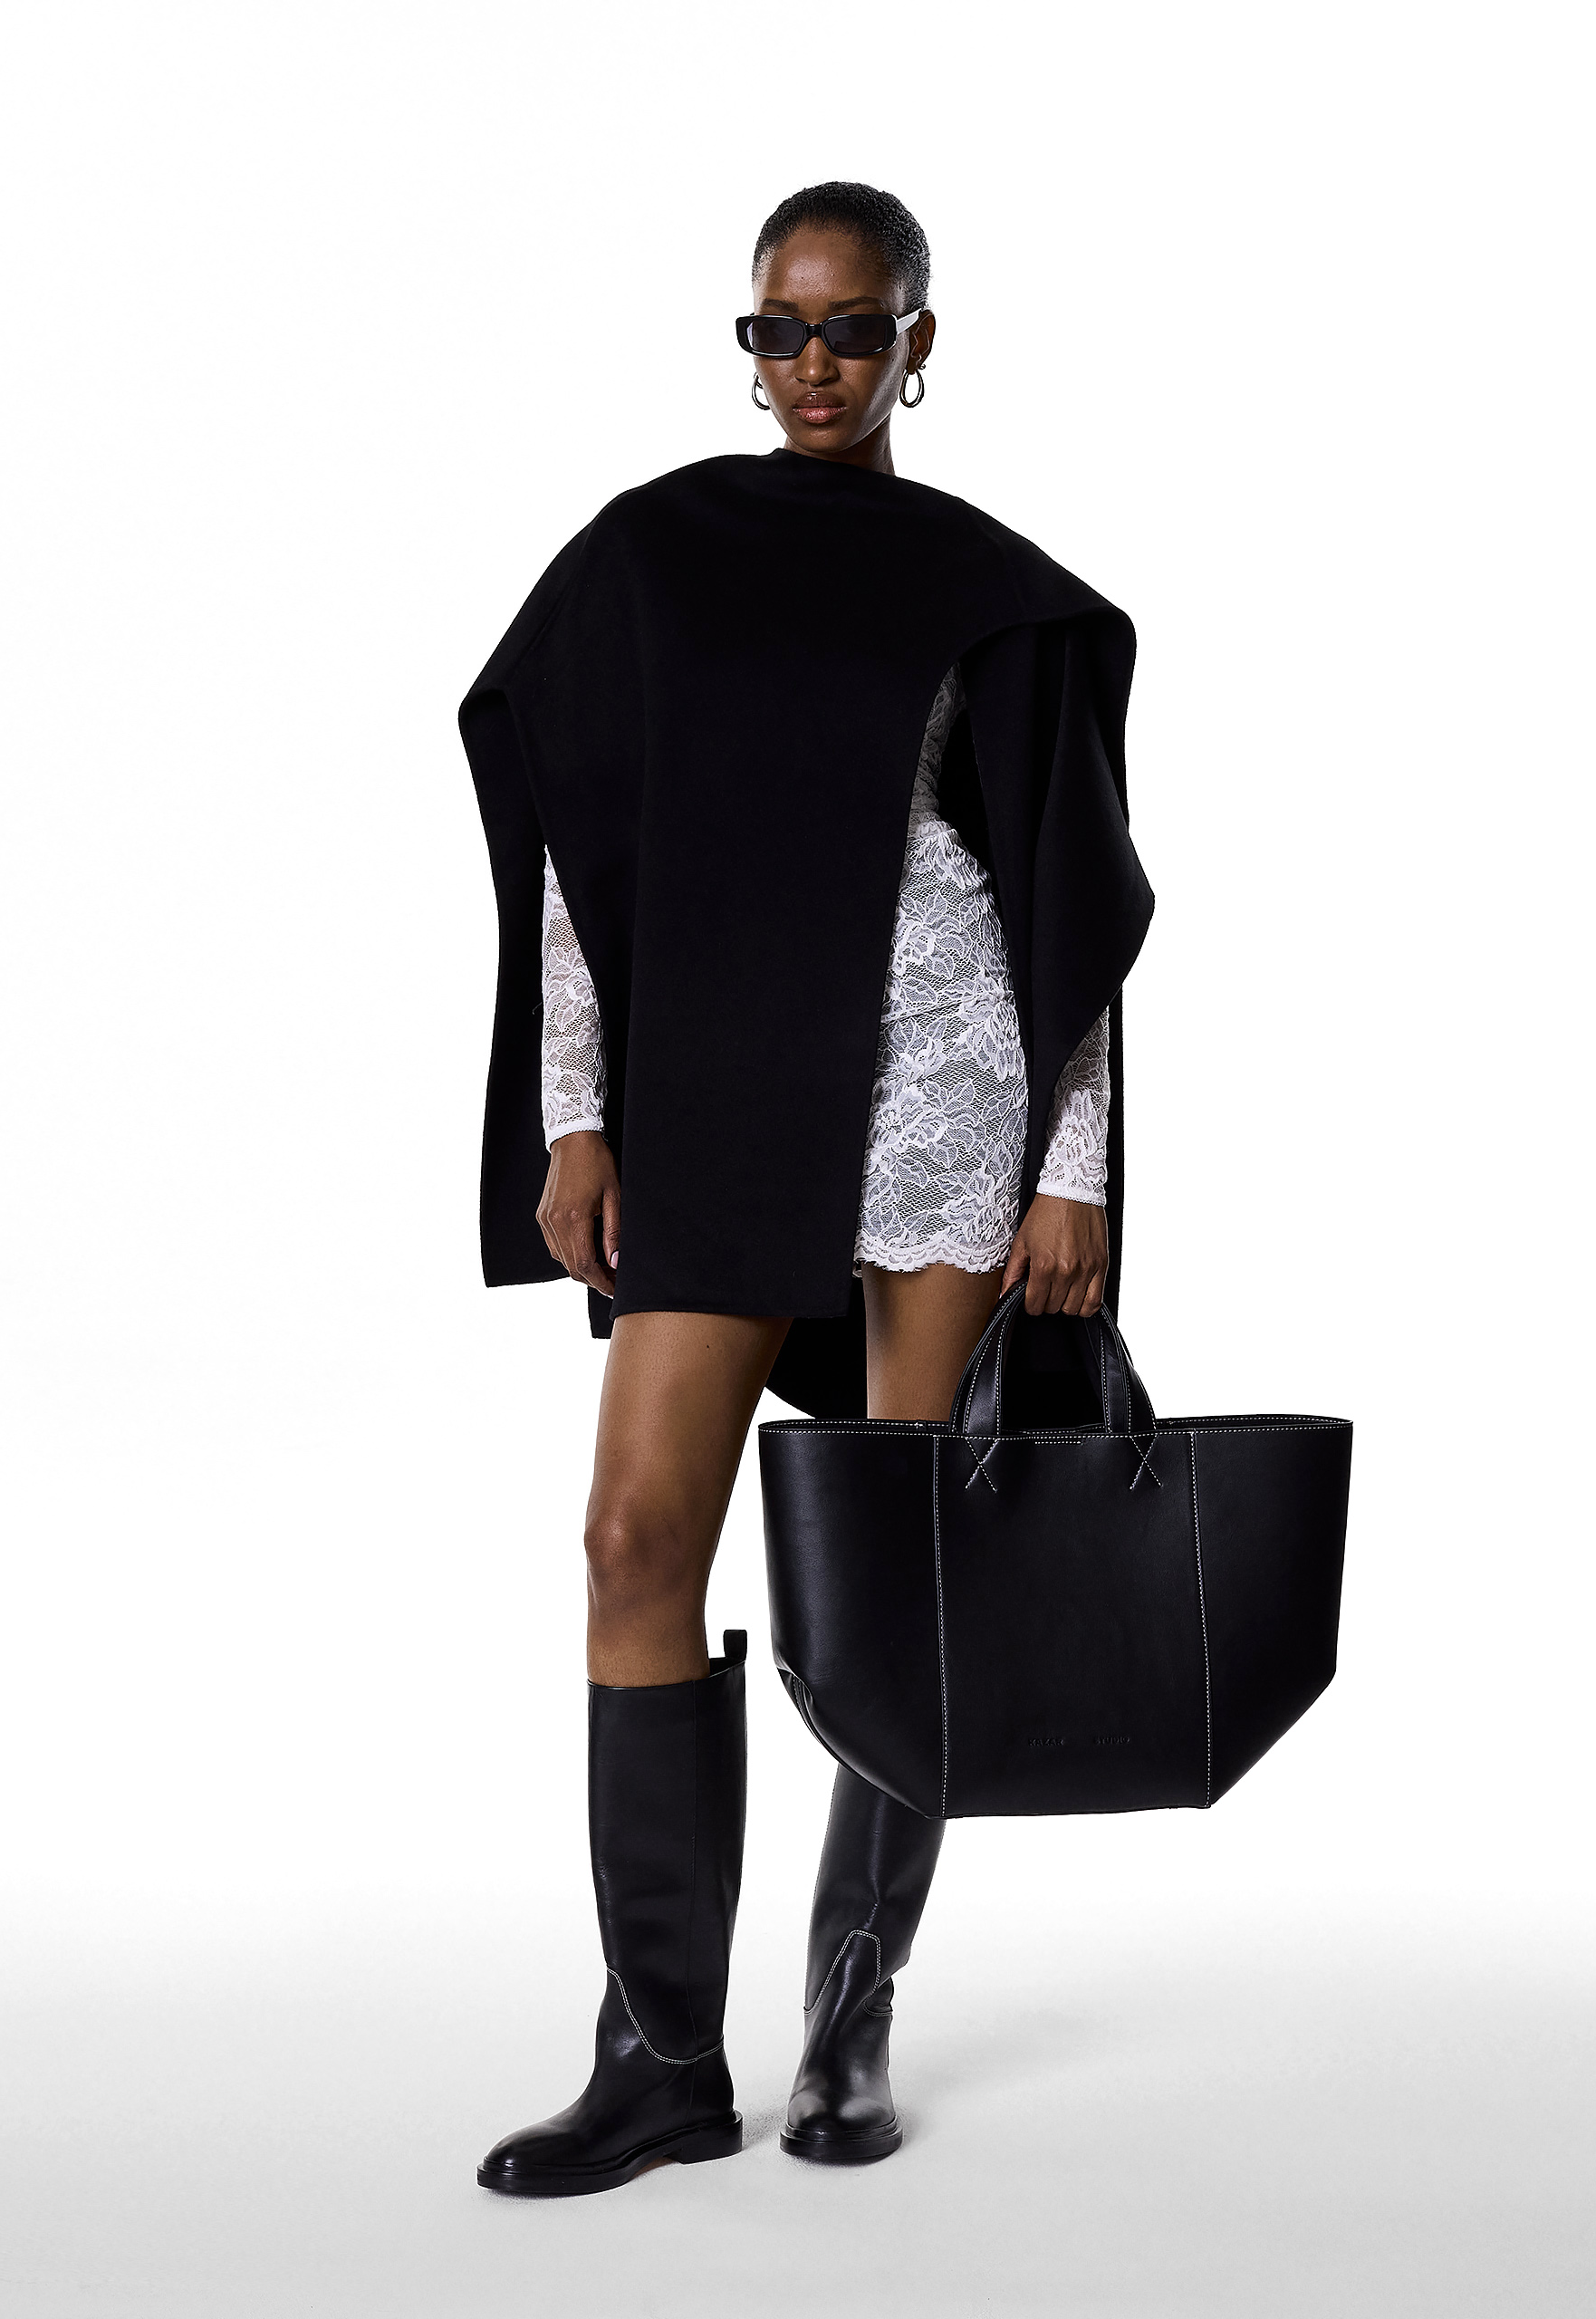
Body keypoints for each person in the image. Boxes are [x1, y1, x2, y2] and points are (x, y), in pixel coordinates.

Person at [457, 181, 1153, 2196]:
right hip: (717, 1099)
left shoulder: (988, 588)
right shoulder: (654, 556)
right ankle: (661, 2057)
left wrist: (1068, 1164)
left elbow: (1063, 901)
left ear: (919, 341)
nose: (816, 364)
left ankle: (849, 2019)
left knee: (897, 1569)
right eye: (782, 328)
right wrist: (573, 1117)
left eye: (855, 329)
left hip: (941, 1091)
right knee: (632, 1537)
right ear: (747, 339)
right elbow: (577, 851)